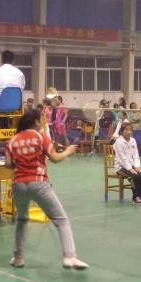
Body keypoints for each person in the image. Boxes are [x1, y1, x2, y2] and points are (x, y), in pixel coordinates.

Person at [6, 108, 87, 269]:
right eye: (41, 119)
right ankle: (69, 257)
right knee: (61, 220)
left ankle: (18, 257)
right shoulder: (41, 137)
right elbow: (55, 158)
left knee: (22, 219)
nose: (43, 122)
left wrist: (22, 160)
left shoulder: (13, 140)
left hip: (19, 185)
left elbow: (8, 164)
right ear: (36, 122)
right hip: (39, 183)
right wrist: (68, 151)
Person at [113, 122, 141, 204]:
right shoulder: (118, 142)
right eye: (126, 130)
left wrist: (137, 166)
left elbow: (136, 154)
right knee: (134, 176)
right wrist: (130, 169)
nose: (129, 132)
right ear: (122, 131)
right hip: (121, 167)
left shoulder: (133, 140)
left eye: (130, 130)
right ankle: (135, 198)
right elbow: (122, 158)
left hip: (132, 165)